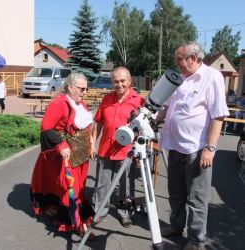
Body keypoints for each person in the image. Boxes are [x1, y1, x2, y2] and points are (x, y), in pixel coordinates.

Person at [156, 42, 229, 250]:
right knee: (176, 193)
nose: (177, 63)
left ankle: (196, 239)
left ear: (194, 58)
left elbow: (218, 116)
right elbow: (167, 108)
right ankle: (177, 226)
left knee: (197, 199)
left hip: (197, 150)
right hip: (174, 146)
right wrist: (152, 116)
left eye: (180, 59)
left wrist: (210, 148)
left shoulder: (212, 77)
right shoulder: (179, 79)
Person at [30, 73, 96, 239]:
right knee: (71, 190)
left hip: (81, 156)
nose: (85, 92)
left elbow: (87, 126)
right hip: (67, 156)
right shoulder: (60, 103)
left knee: (80, 188)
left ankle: (76, 219)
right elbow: (46, 127)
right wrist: (61, 145)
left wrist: (92, 143)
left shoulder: (81, 104)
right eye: (81, 88)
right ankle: (77, 225)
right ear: (70, 87)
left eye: (86, 88)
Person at [92, 66, 144, 228]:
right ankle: (100, 211)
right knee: (102, 183)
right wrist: (92, 143)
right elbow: (99, 122)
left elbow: (143, 129)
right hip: (105, 149)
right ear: (111, 83)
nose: (119, 84)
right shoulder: (106, 99)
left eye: (122, 81)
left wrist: (138, 152)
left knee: (126, 185)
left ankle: (125, 213)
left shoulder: (139, 101)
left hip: (126, 151)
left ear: (129, 81)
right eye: (115, 81)